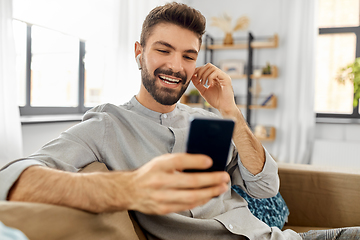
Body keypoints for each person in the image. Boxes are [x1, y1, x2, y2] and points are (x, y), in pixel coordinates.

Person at [0, 2, 359, 240]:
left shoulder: (207, 121)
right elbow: (9, 178)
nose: (176, 66)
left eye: (189, 55)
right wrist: (129, 189)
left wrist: (231, 111)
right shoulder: (106, 125)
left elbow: (264, 187)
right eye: (163, 50)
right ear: (139, 52)